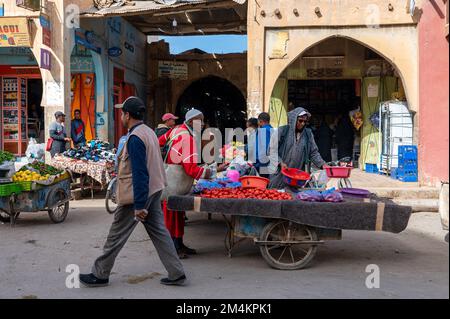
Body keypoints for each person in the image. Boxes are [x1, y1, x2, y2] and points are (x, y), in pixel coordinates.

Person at [79, 96, 187, 287]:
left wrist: (138, 205)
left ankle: (100, 273)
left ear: (127, 115)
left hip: (139, 193)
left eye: (122, 113)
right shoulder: (148, 132)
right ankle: (176, 272)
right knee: (160, 232)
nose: (121, 116)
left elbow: (139, 173)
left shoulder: (136, 138)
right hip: (154, 188)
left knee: (116, 234)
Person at [159, 109, 228, 259]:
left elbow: (160, 141)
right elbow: (191, 170)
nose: (202, 124)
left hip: (171, 180)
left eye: (203, 120)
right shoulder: (188, 139)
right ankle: (173, 249)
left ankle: (179, 244)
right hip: (175, 183)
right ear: (191, 122)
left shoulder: (176, 129)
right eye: (199, 121)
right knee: (171, 217)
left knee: (177, 215)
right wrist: (214, 170)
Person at [268, 107, 326, 189]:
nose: (302, 124)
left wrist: (323, 164)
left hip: (296, 178)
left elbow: (313, 153)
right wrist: (280, 162)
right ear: (293, 119)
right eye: (300, 121)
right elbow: (271, 150)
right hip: (279, 175)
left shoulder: (308, 134)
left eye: (305, 122)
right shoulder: (282, 131)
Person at [254, 112, 273, 178]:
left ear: (260, 121)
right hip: (269, 163)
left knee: (263, 184)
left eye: (258, 121)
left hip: (262, 164)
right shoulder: (272, 130)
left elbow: (264, 149)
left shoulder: (263, 130)